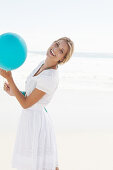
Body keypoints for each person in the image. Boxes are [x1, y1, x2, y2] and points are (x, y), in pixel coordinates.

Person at [0, 37, 74, 170]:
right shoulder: (43, 64)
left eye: (61, 51)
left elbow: (26, 104)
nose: (55, 49)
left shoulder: (50, 78)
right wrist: (14, 92)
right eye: (56, 44)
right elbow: (31, 96)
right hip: (29, 119)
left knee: (38, 164)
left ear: (62, 59)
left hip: (36, 123)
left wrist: (9, 78)